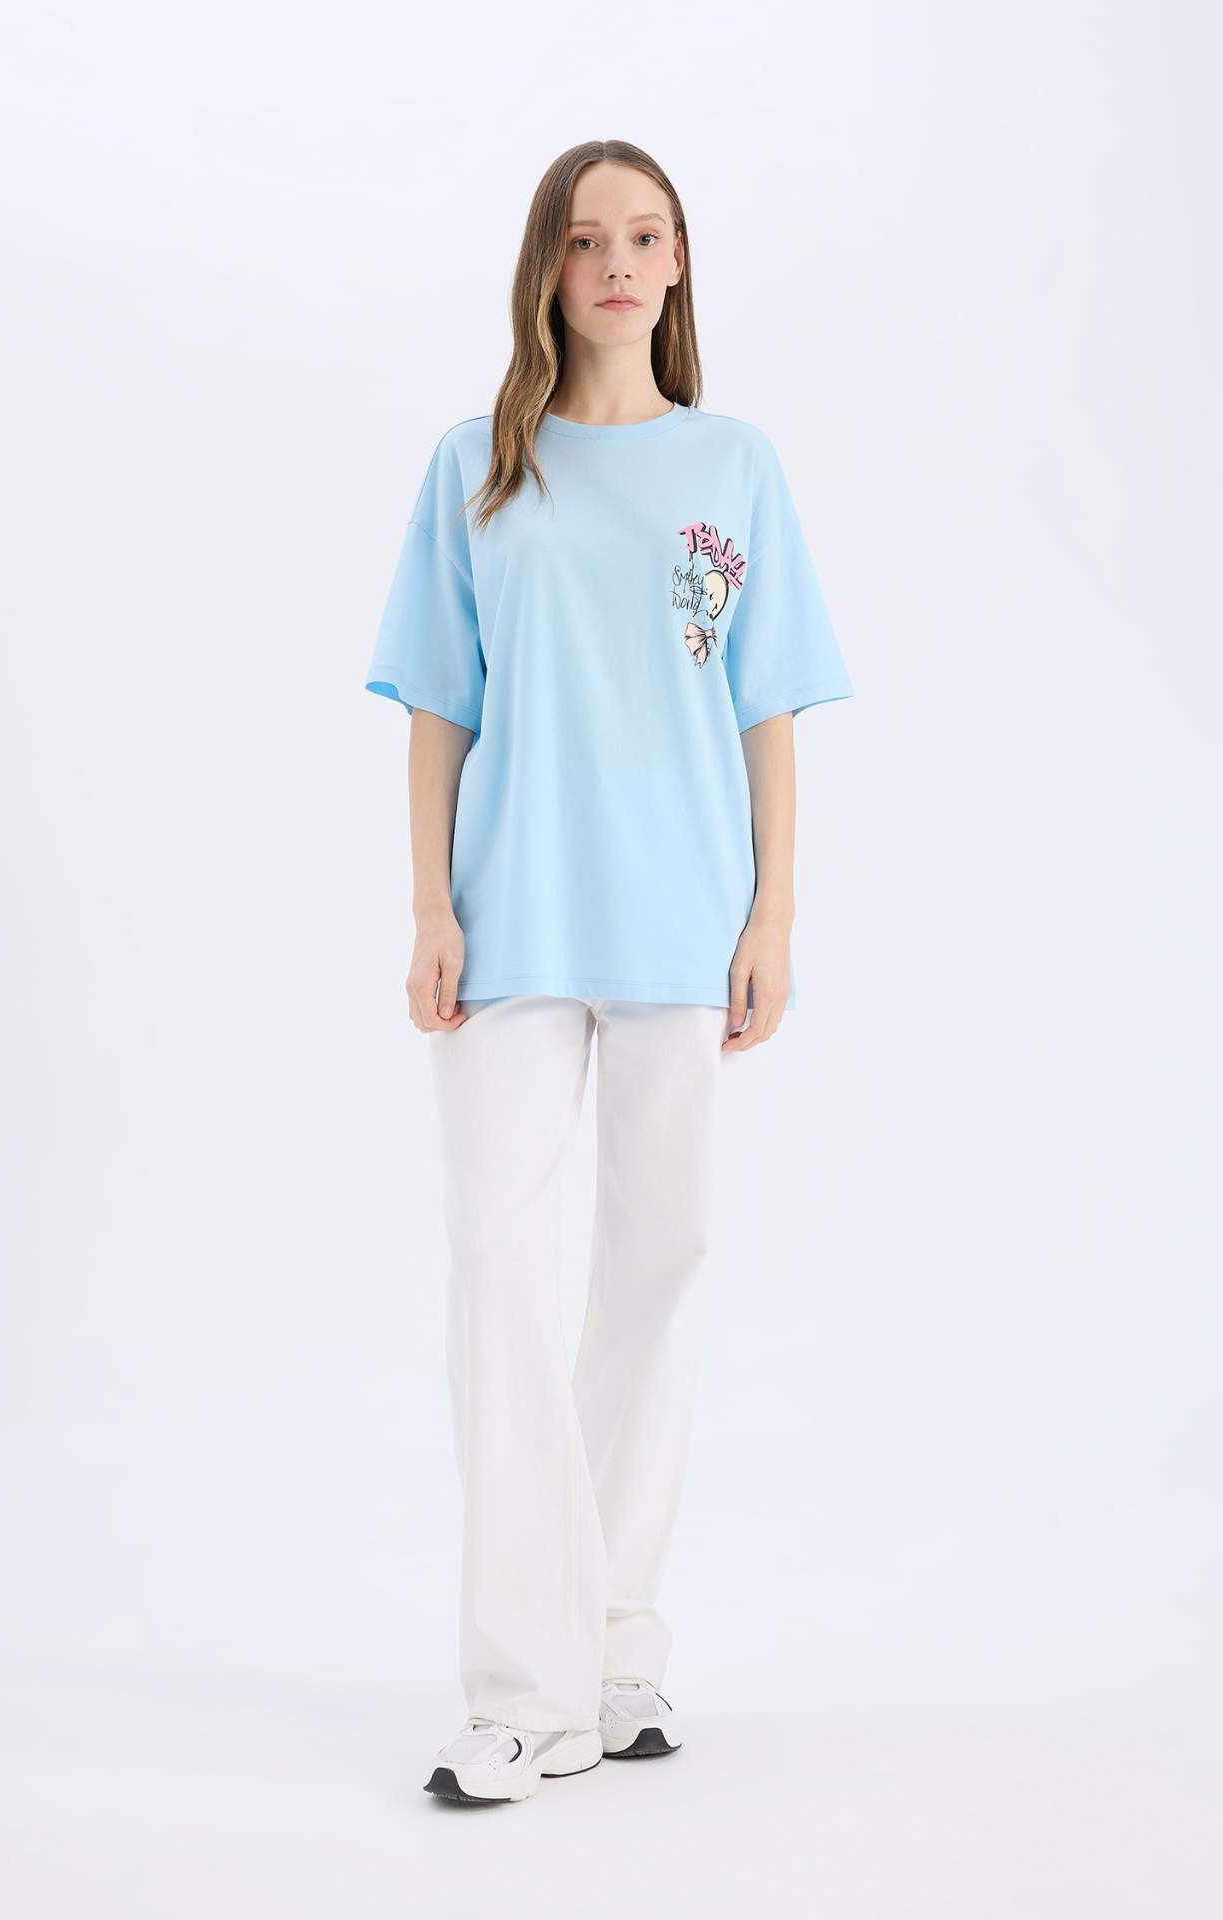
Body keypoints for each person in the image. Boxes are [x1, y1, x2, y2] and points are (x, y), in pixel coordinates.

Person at [364, 139, 852, 1805]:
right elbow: (440, 704)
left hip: (683, 927)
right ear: (549, 269)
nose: (621, 264)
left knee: (661, 1265)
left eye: (648, 236)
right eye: (590, 240)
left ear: (679, 263)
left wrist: (773, 917)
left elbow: (765, 705)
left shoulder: (735, 464)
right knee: (496, 1272)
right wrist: (429, 906)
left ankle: (618, 1642)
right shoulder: (477, 467)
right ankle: (525, 1688)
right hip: (509, 924)